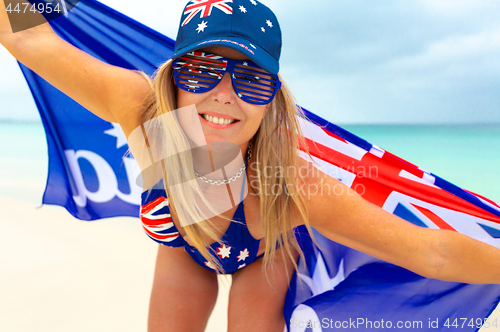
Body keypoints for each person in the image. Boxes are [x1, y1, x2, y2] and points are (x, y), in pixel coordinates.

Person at [1, 1, 500, 331]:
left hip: (264, 258)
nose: (224, 95)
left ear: (272, 101)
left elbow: (431, 253)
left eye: (251, 81)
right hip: (183, 251)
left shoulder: (290, 184)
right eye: (202, 70)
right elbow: (30, 38)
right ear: (174, 77)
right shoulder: (142, 112)